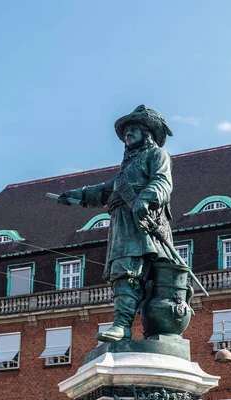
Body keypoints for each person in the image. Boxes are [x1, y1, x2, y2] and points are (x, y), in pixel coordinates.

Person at [56, 105, 174, 342]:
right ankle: (123, 325)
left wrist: (146, 199)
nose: (128, 133)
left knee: (140, 274)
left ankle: (141, 327)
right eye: (126, 130)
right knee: (124, 272)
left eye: (133, 129)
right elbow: (102, 190)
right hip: (123, 224)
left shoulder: (156, 155)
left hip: (144, 224)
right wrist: (75, 194)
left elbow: (163, 183)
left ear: (146, 132)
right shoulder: (125, 169)